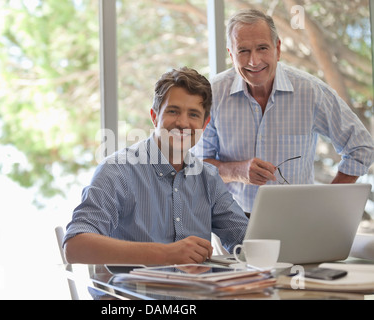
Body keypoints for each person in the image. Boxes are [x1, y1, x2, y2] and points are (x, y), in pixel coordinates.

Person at [193, 9, 374, 214]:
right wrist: (237, 171)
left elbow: (361, 147)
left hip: (296, 218)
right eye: (243, 51)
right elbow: (198, 167)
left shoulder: (310, 91)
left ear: (277, 49)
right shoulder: (212, 94)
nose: (254, 61)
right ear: (231, 54)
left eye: (262, 48)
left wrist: (328, 206)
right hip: (230, 221)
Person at [63, 67, 248, 265]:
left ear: (205, 123)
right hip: (133, 295)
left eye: (193, 114)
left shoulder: (208, 178)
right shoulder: (118, 171)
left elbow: (247, 240)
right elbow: (76, 246)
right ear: (154, 116)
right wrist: (165, 254)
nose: (183, 123)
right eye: (173, 111)